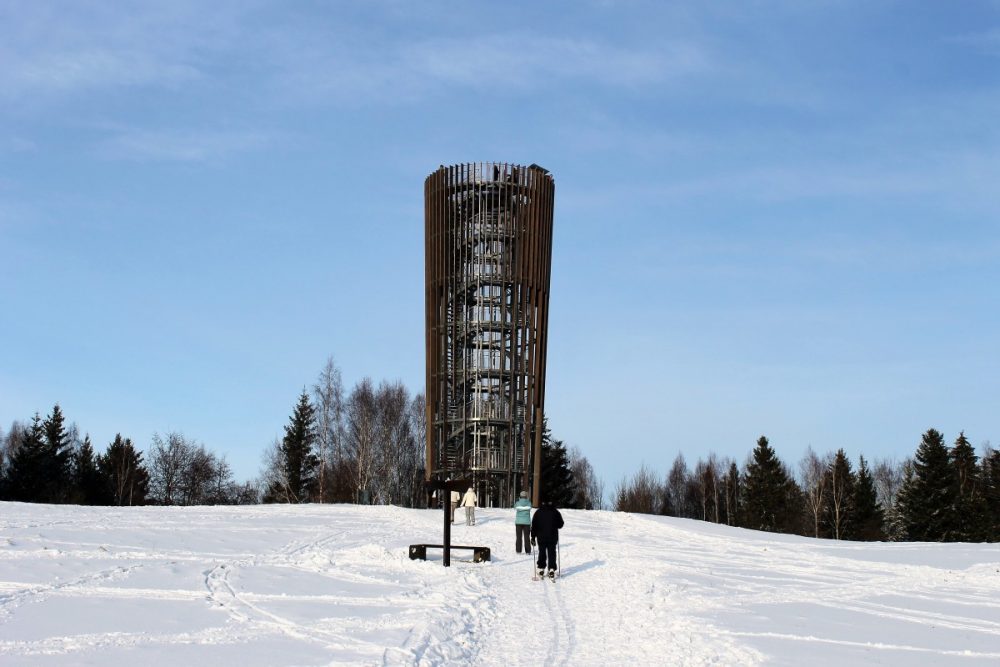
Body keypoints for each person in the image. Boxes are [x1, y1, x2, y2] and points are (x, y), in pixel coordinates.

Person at [530, 499, 564, 579]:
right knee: (552, 552)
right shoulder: (555, 511)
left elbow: (534, 525)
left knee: (542, 552)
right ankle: (551, 568)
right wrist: (556, 524)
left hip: (541, 537)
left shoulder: (538, 512)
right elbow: (561, 524)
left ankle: (541, 568)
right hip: (552, 536)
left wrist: (533, 537)